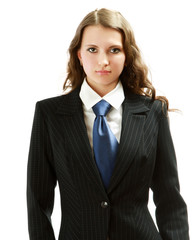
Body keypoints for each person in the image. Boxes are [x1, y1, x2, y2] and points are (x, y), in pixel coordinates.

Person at [27, 8, 189, 240]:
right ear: (79, 55)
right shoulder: (49, 114)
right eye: (92, 50)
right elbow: (38, 203)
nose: (103, 61)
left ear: (126, 56)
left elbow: (169, 199)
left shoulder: (153, 112)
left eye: (114, 50)